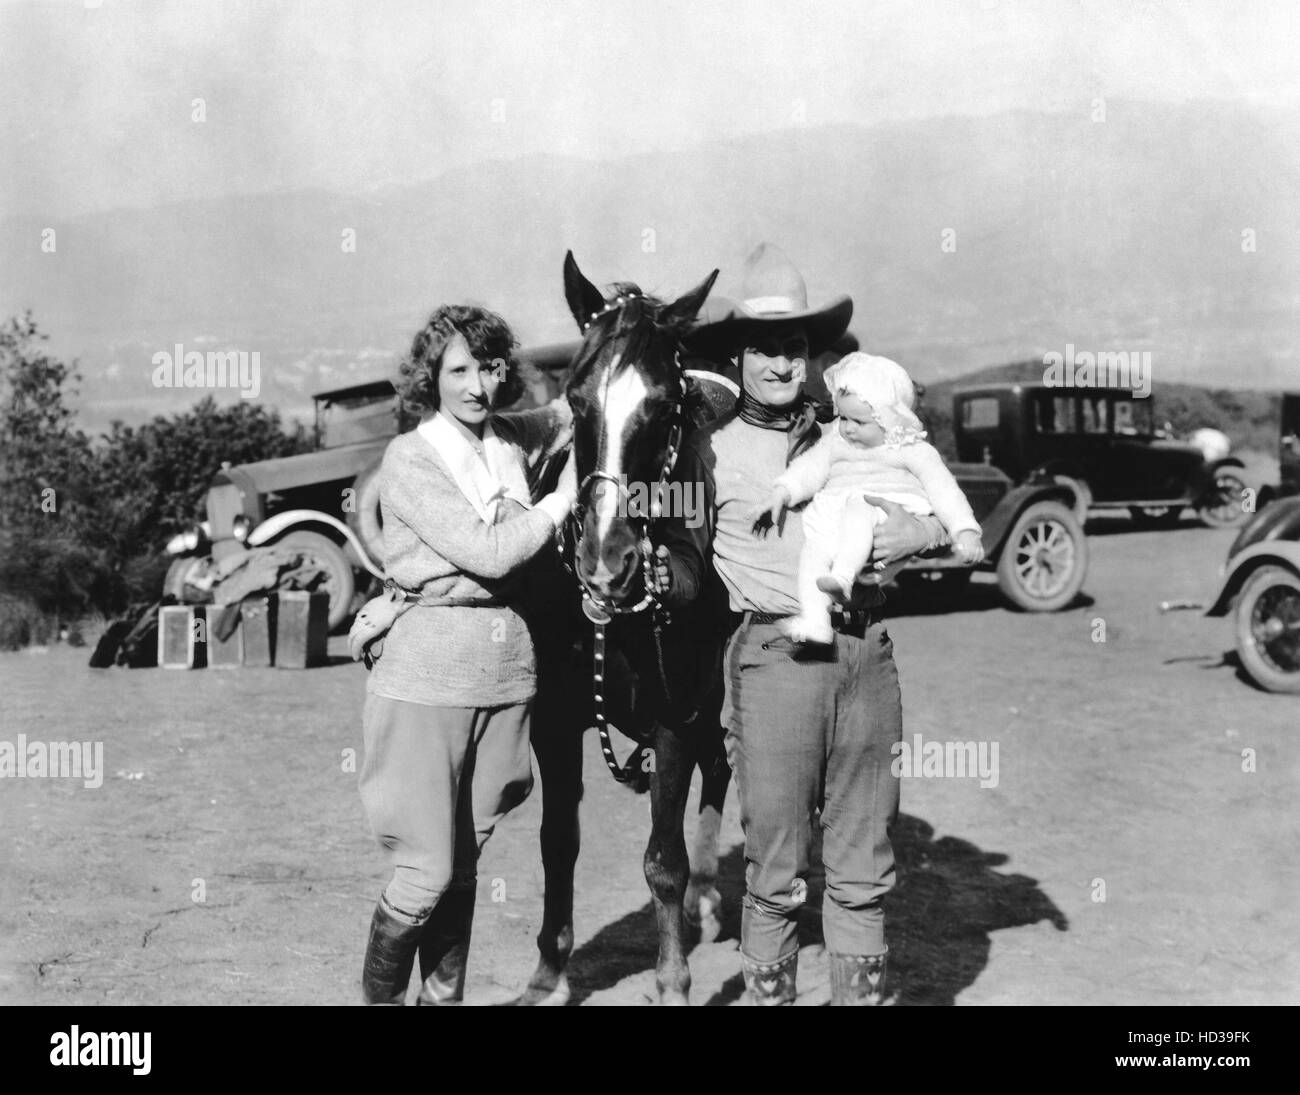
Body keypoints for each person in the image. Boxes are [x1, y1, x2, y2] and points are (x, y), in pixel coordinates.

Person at [676, 243, 951, 1005]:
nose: (777, 361)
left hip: (868, 655)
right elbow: (659, 553)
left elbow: (932, 491)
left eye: (792, 345)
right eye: (762, 345)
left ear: (812, 353)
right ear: (737, 355)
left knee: (864, 871)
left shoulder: (854, 431)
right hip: (775, 657)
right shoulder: (704, 453)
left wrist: (918, 535)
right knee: (776, 871)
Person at [356, 304, 576, 1005]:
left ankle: (441, 1000)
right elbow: (487, 550)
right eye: (458, 370)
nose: (476, 385)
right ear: (430, 377)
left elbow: (579, 408)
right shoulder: (411, 458)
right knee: (425, 869)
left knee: (464, 864)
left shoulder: (512, 438)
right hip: (427, 679)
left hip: (506, 675)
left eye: (489, 367)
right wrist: (557, 506)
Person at [753, 351, 983, 644]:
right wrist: (782, 491)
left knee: (859, 506)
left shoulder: (912, 449)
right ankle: (816, 620)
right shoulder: (837, 441)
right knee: (813, 551)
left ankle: (844, 578)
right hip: (835, 518)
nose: (847, 427)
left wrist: (965, 530)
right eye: (843, 417)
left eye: (859, 422)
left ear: (889, 419)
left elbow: (945, 491)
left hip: (884, 513)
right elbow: (809, 468)